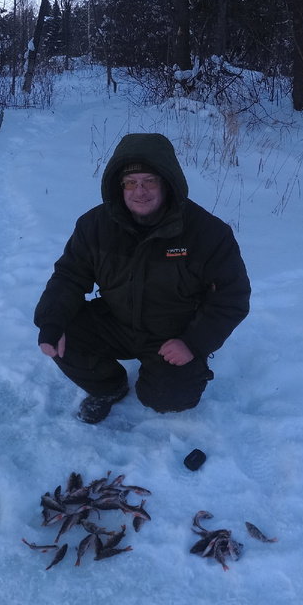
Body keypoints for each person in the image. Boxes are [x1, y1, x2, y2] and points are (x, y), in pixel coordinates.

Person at [34, 132, 251, 424]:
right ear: (119, 186)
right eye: (131, 183)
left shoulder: (207, 233)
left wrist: (194, 343)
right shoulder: (94, 226)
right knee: (62, 332)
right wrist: (51, 320)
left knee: (169, 398)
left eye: (150, 181)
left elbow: (231, 296)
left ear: (168, 183)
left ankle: (175, 373)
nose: (140, 191)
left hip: (172, 334)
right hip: (117, 322)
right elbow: (70, 276)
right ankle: (109, 386)